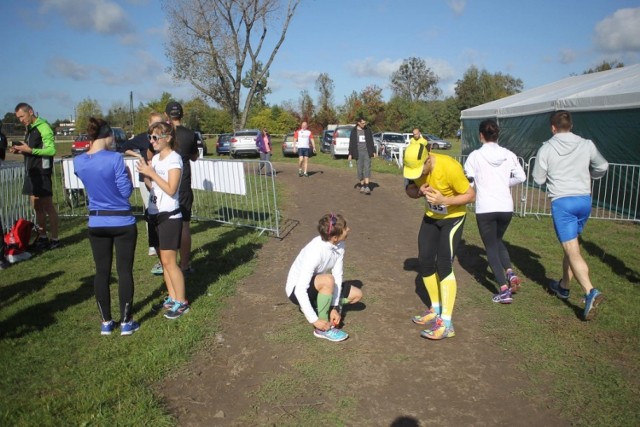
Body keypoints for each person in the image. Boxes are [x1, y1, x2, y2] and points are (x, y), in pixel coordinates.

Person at [532, 110, 609, 321]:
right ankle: (564, 286)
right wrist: (590, 176)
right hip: (584, 199)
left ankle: (590, 291)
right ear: (571, 125)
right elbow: (603, 165)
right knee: (572, 245)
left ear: (553, 128)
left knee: (572, 250)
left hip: (563, 202)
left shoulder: (546, 148)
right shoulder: (587, 144)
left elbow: (538, 179)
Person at [73, 118, 139, 335]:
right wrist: (128, 178)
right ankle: (127, 322)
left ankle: (106, 322)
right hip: (122, 221)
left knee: (101, 272)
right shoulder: (115, 159)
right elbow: (125, 192)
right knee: (124, 271)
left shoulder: (79, 162)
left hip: (97, 221)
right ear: (107, 135)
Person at [403, 142, 475, 340]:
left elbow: (470, 195)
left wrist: (445, 201)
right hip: (431, 217)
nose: (417, 175)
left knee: (444, 264)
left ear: (428, 158)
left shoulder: (449, 167)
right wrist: (418, 192)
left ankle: (447, 323)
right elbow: (409, 190)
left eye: (420, 170)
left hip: (453, 218)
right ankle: (435, 308)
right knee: (425, 260)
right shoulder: (412, 168)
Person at [463, 119, 526, 304]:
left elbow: (469, 182)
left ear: (481, 135)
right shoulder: (508, 154)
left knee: (490, 246)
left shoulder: (474, 156)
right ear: (497, 135)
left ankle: (503, 289)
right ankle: (510, 273)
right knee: (497, 240)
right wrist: (504, 182)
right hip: (506, 207)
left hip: (486, 207)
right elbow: (521, 176)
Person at [137, 121, 190, 319]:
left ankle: (182, 301)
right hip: (154, 214)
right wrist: (146, 176)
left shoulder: (174, 159)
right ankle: (172, 296)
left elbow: (171, 189)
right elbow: (156, 188)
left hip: (169, 216)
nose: (152, 141)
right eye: (150, 137)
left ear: (167, 138)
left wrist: (152, 173)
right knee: (163, 261)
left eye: (155, 137)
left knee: (170, 262)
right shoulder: (157, 159)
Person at [285, 213, 363, 342]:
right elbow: (300, 290)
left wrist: (335, 307)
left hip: (317, 285)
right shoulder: (315, 251)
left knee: (356, 295)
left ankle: (318, 305)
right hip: (296, 291)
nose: (349, 229)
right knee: (328, 280)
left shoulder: (339, 245)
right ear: (335, 237)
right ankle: (322, 329)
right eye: (345, 228)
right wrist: (314, 320)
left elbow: (338, 275)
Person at [10, 103, 60, 250]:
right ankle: (43, 237)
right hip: (31, 173)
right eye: (18, 118)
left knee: (48, 206)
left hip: (42, 173)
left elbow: (51, 151)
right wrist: (20, 150)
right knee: (36, 206)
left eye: (22, 116)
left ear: (30, 112)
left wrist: (30, 150)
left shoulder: (43, 127)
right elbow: (31, 150)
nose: (21, 120)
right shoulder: (30, 128)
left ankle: (55, 239)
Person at [118, 112, 163, 258]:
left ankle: (163, 237)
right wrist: (138, 155)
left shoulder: (163, 138)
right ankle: (152, 244)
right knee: (150, 209)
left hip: (161, 176)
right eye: (154, 124)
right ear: (148, 124)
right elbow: (124, 147)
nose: (156, 127)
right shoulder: (143, 138)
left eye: (159, 123)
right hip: (146, 178)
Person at [164, 101, 199, 274]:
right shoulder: (190, 134)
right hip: (183, 183)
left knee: (166, 224)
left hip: (164, 183)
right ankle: (184, 265)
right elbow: (195, 156)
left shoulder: (162, 133)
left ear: (166, 116)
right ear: (182, 115)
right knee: (184, 225)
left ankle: (168, 265)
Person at [348, 117, 376, 194]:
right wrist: (350, 154)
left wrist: (373, 151)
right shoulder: (354, 131)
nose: (364, 124)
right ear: (358, 123)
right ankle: (362, 186)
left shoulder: (368, 130)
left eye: (365, 123)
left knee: (367, 168)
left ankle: (367, 186)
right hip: (358, 153)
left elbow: (371, 141)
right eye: (363, 123)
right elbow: (351, 143)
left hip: (367, 152)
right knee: (360, 170)